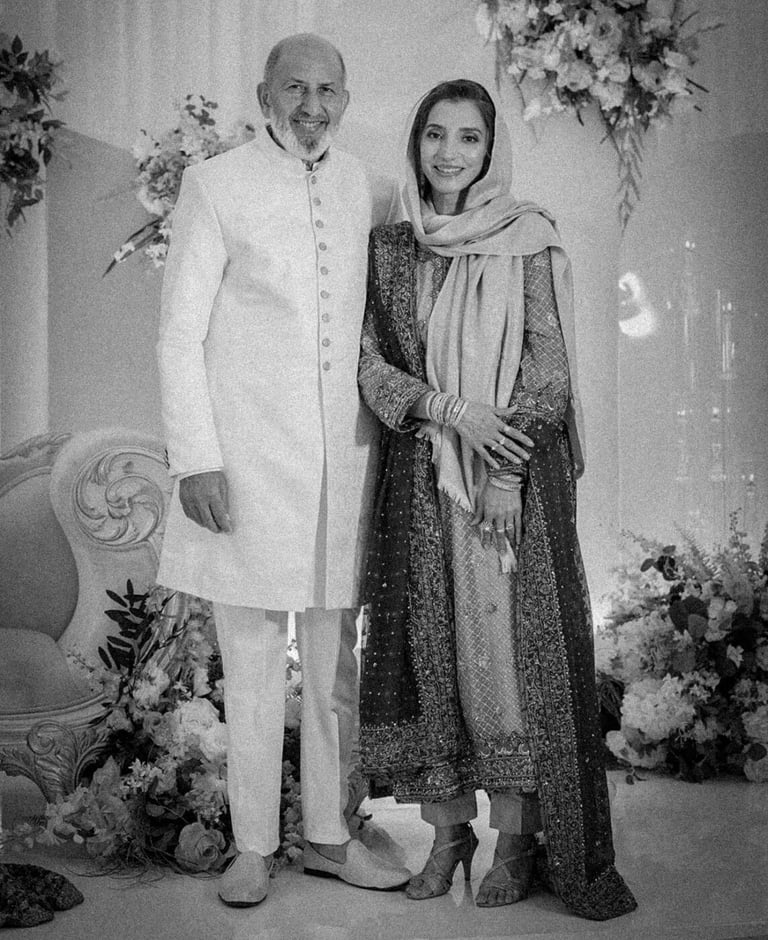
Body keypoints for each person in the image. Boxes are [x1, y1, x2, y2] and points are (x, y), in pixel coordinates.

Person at [357, 79, 638, 920]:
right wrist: (451, 411)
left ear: (491, 150)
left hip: (505, 486)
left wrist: (506, 470)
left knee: (506, 666)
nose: (449, 153)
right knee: (429, 660)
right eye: (435, 135)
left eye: (469, 138)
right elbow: (369, 363)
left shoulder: (528, 238)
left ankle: (515, 839)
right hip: (419, 478)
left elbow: (548, 368)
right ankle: (448, 836)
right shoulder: (391, 247)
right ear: (416, 143)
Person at [156, 33, 410, 907]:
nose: (311, 105)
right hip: (247, 463)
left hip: (348, 465)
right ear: (265, 96)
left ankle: (331, 836)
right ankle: (254, 846)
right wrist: (197, 459)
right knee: (254, 656)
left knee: (338, 662)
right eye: (294, 88)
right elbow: (178, 334)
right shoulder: (216, 183)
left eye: (327, 89)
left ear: (346, 99)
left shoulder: (371, 188)